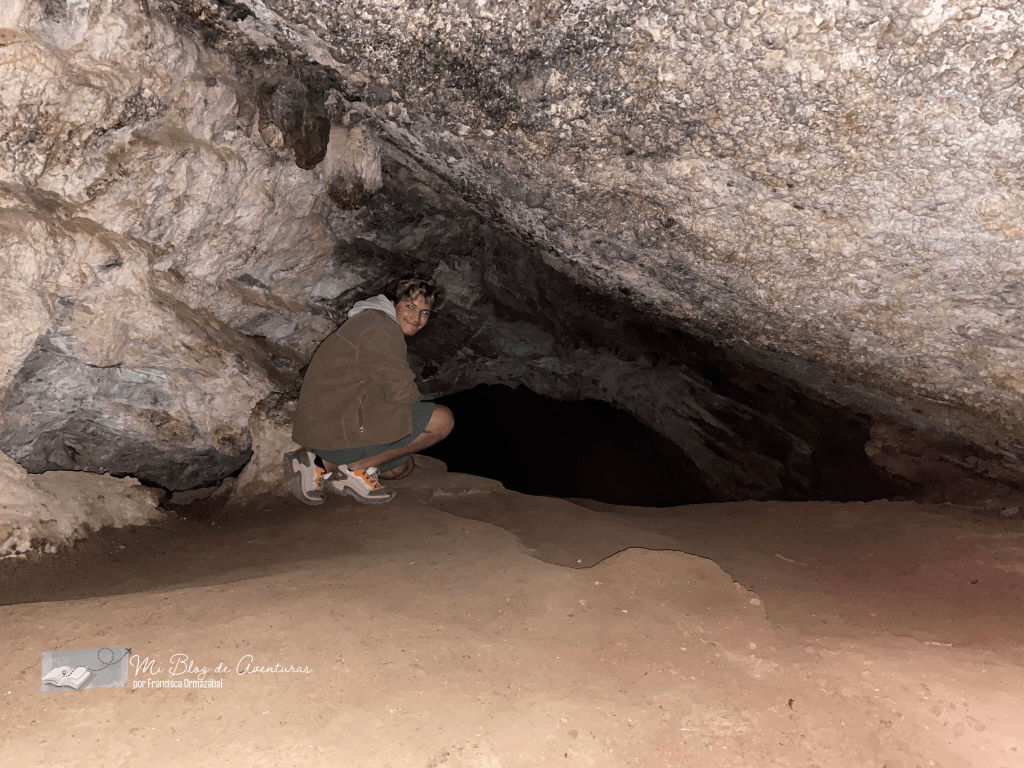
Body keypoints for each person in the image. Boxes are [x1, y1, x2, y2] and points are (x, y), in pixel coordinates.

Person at [284, 274, 454, 504]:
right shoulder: (380, 327)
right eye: (410, 306)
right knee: (442, 421)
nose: (417, 317)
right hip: (334, 422)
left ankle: (341, 467)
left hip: (342, 414)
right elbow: (400, 390)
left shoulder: (375, 320)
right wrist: (407, 428)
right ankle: (331, 466)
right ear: (394, 302)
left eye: (424, 312)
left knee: (401, 468)